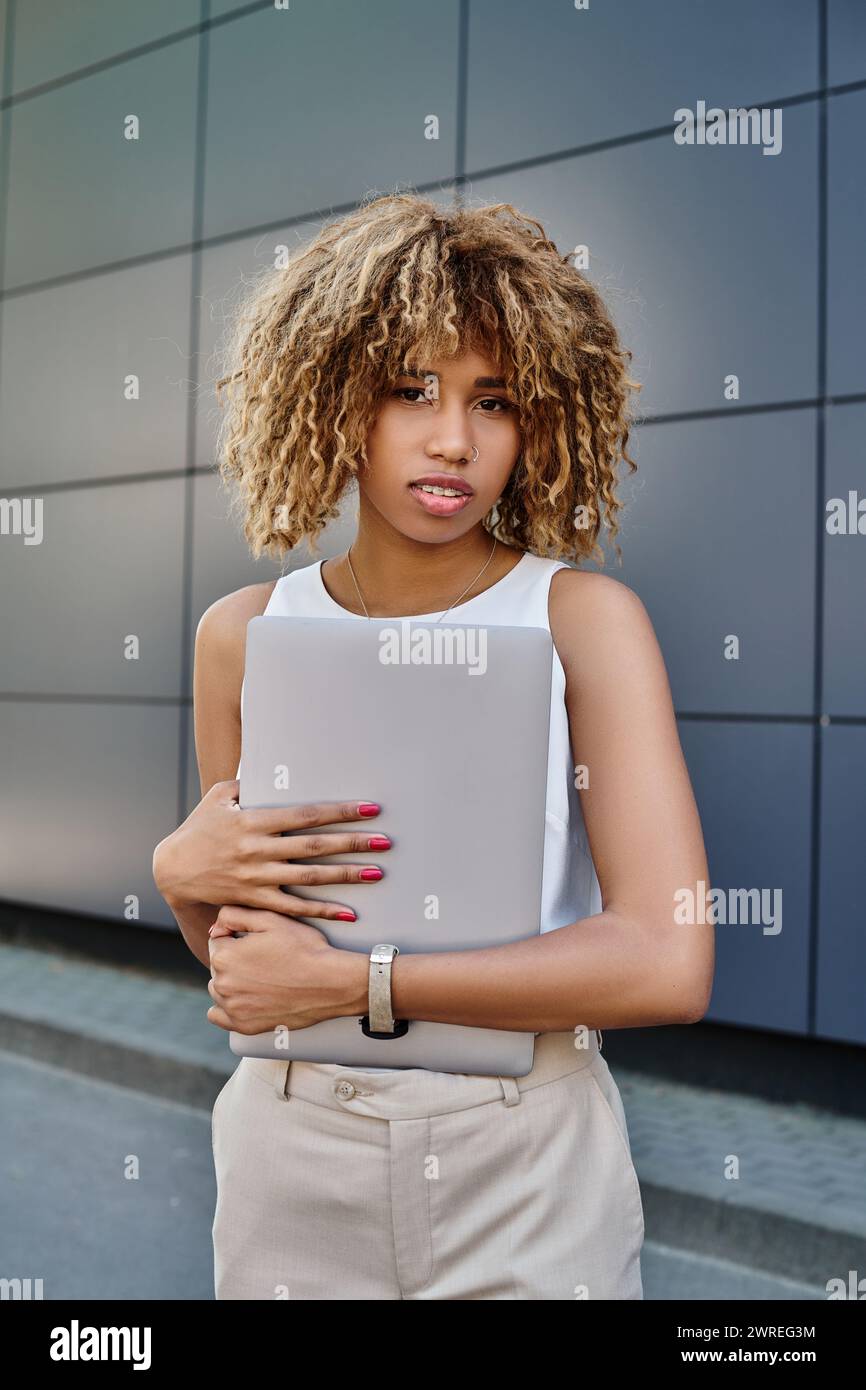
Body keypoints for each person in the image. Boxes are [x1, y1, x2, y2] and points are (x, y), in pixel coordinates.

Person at [153, 193, 714, 1300]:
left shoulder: (582, 623)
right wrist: (180, 875)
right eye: (410, 390)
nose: (452, 437)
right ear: (330, 397)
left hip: (525, 1158)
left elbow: (665, 958)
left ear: (541, 421)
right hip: (290, 1151)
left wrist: (364, 979)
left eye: (493, 401)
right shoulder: (241, 637)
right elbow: (246, 968)